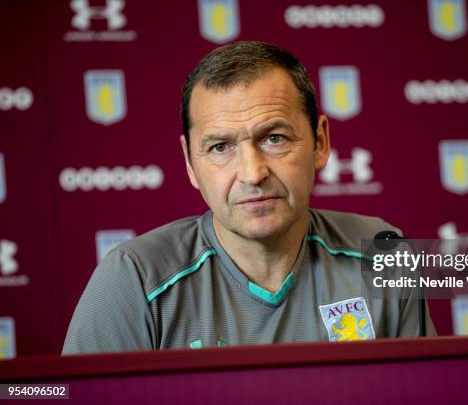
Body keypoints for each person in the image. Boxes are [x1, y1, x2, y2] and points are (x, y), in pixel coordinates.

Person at [62, 41, 436, 354]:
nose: (253, 173)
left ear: (320, 143)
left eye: (275, 138)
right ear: (190, 162)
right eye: (220, 146)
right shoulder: (134, 279)